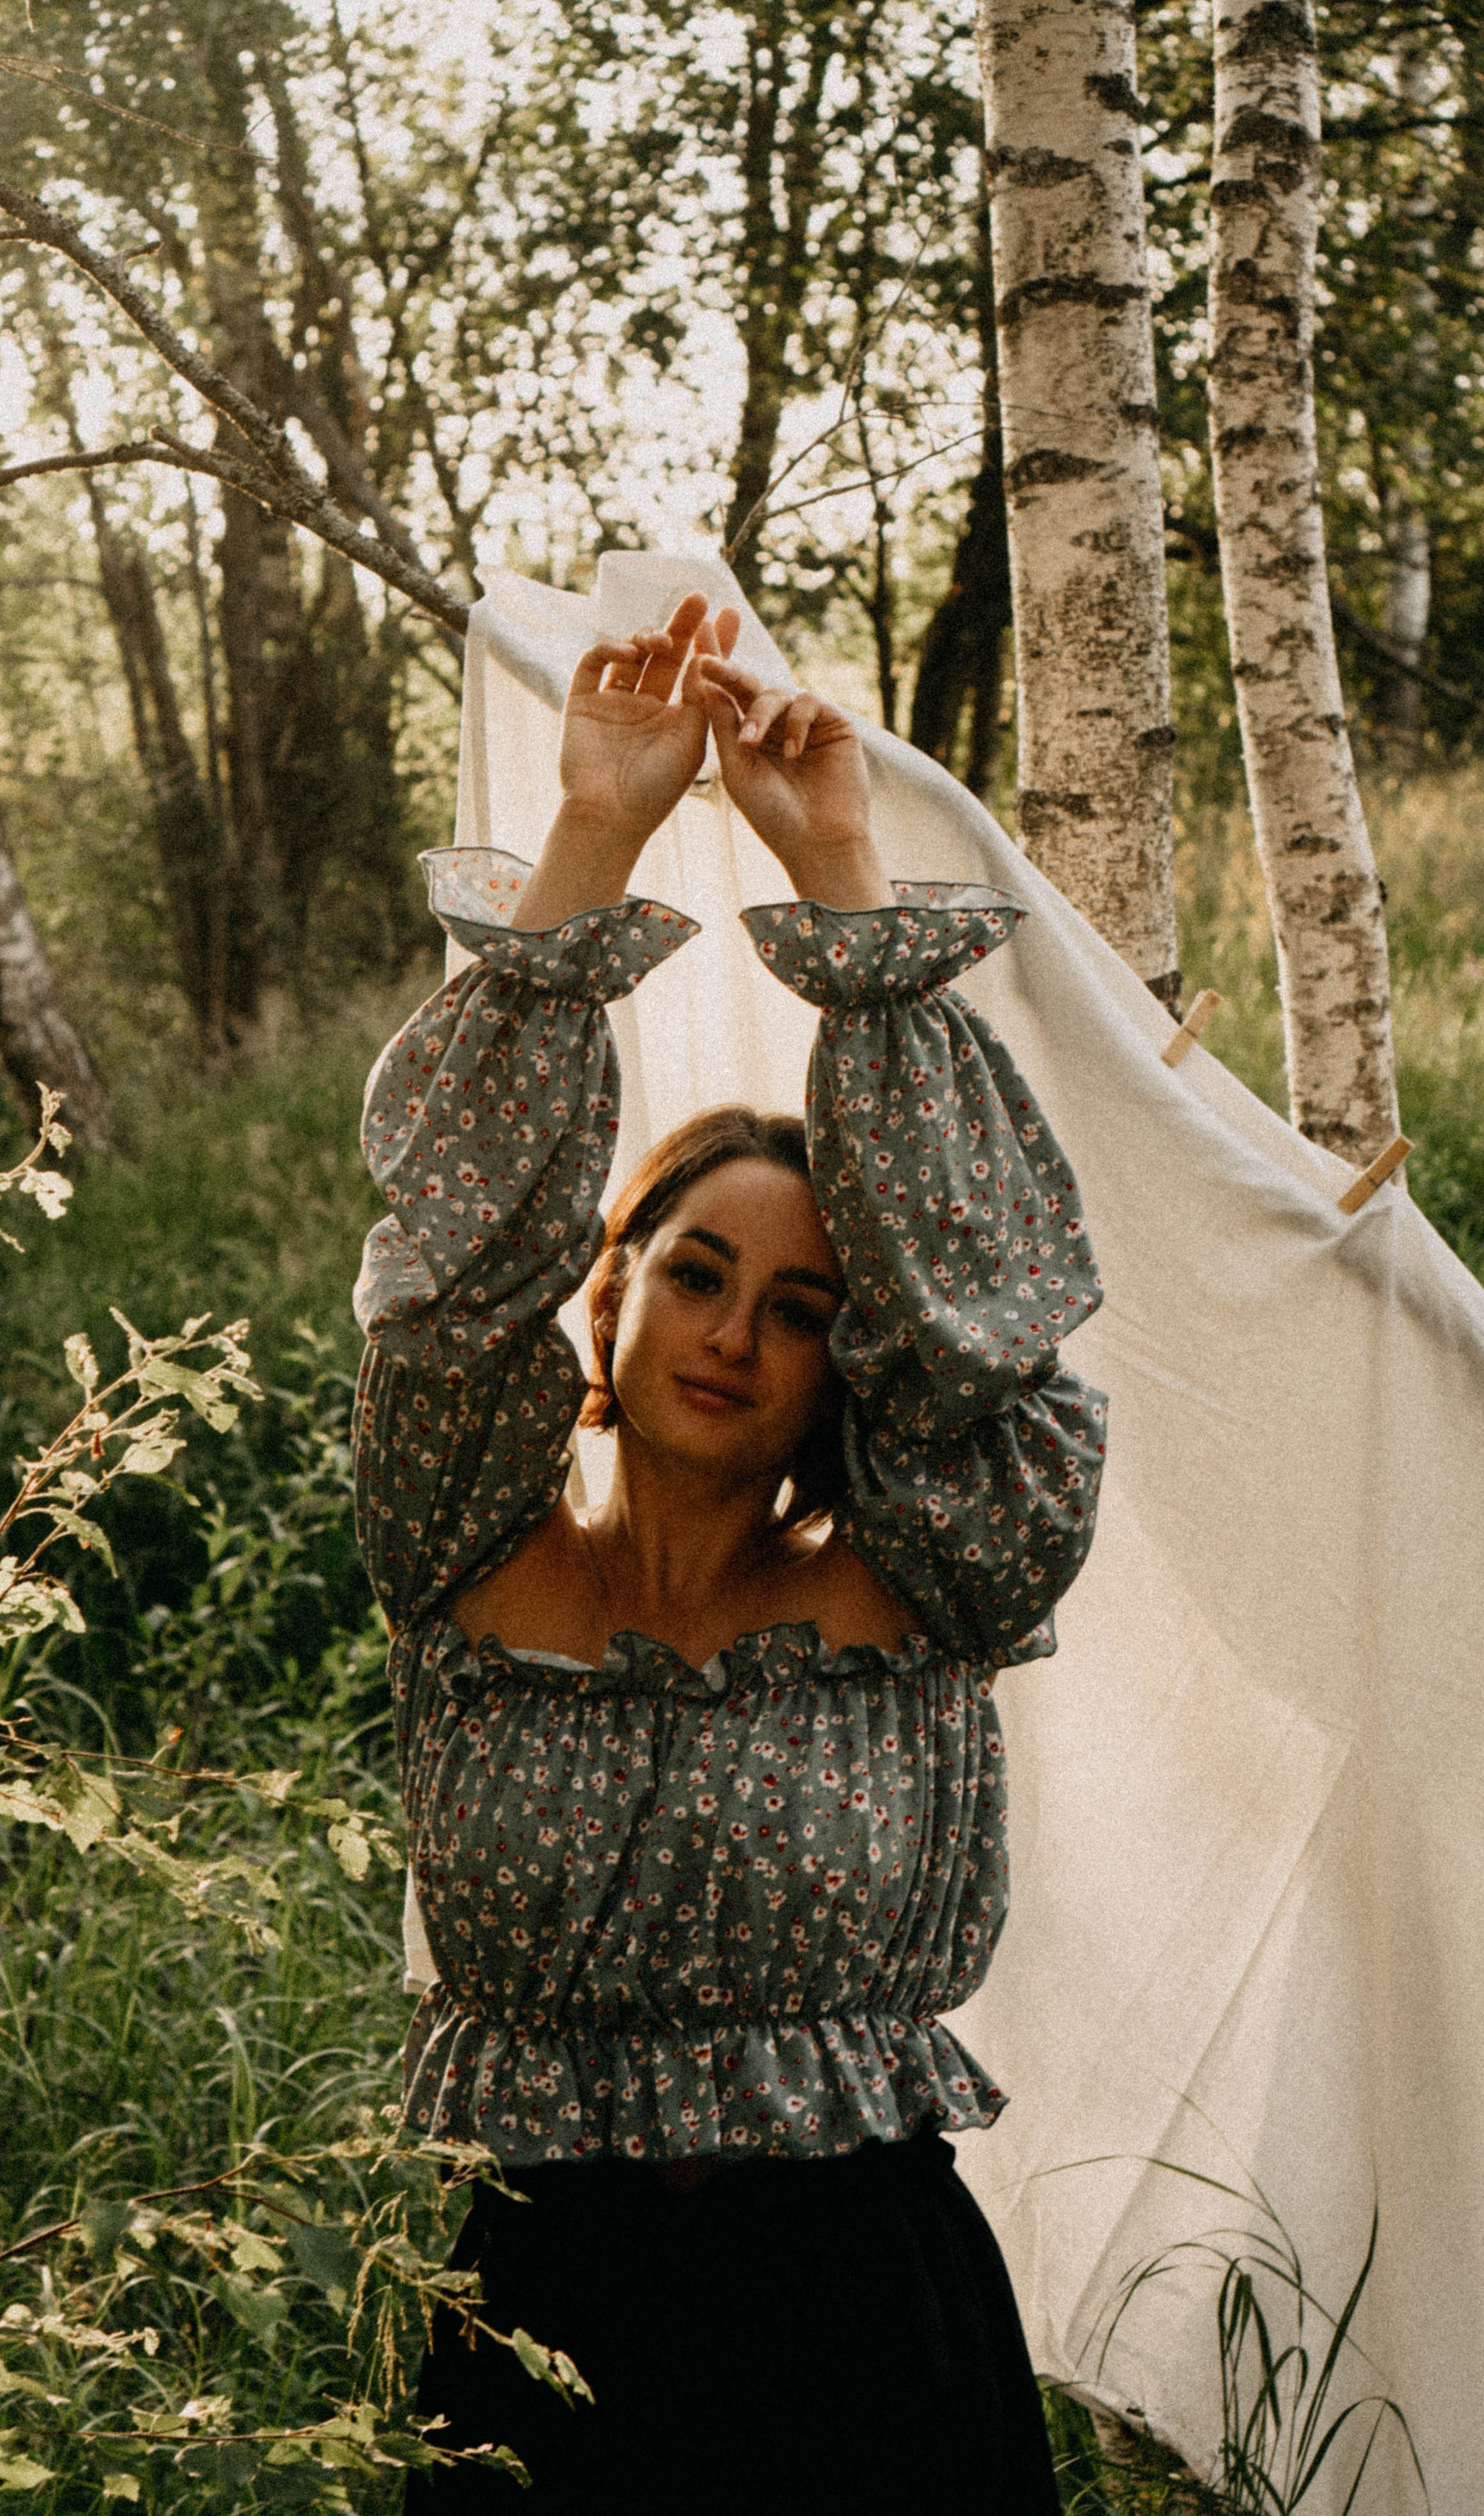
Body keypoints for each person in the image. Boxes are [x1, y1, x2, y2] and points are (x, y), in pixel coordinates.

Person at [352, 590, 1108, 2514]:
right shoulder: (460, 1551)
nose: (734, 1335)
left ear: (855, 1356)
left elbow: (988, 1322)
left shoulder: (932, 1581)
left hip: (857, 2326)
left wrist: (840, 872)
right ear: (606, 1293)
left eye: (801, 1306)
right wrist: (595, 833)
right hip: (534, 2322)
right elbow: (445, 1278)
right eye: (699, 1273)